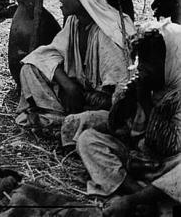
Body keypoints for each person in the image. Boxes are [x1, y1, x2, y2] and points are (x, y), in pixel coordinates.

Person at [65, 20, 181, 216]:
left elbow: (167, 146)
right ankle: (142, 193)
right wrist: (126, 101)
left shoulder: (176, 92)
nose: (142, 68)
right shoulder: (148, 84)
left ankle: (134, 199)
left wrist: (145, 102)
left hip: (169, 165)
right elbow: (118, 128)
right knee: (88, 140)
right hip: (140, 161)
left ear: (170, 60)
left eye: (149, 62)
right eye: (140, 61)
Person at [15, 0, 134, 128]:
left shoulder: (110, 32)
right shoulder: (75, 21)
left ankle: (59, 121)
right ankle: (56, 115)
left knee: (99, 120)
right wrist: (68, 86)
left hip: (104, 104)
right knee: (30, 69)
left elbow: (121, 93)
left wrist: (88, 98)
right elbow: (47, 55)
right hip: (80, 92)